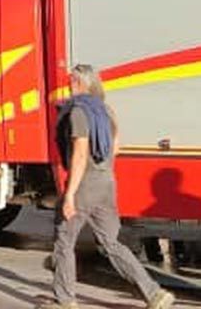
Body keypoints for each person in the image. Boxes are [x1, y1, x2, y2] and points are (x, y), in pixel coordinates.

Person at [42, 64, 175, 309]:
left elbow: (80, 154)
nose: (69, 85)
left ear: (81, 84)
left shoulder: (79, 112)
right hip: (106, 182)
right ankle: (155, 294)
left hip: (85, 183)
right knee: (110, 243)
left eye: (72, 81)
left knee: (64, 240)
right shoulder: (106, 111)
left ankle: (65, 301)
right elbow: (116, 148)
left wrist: (70, 195)